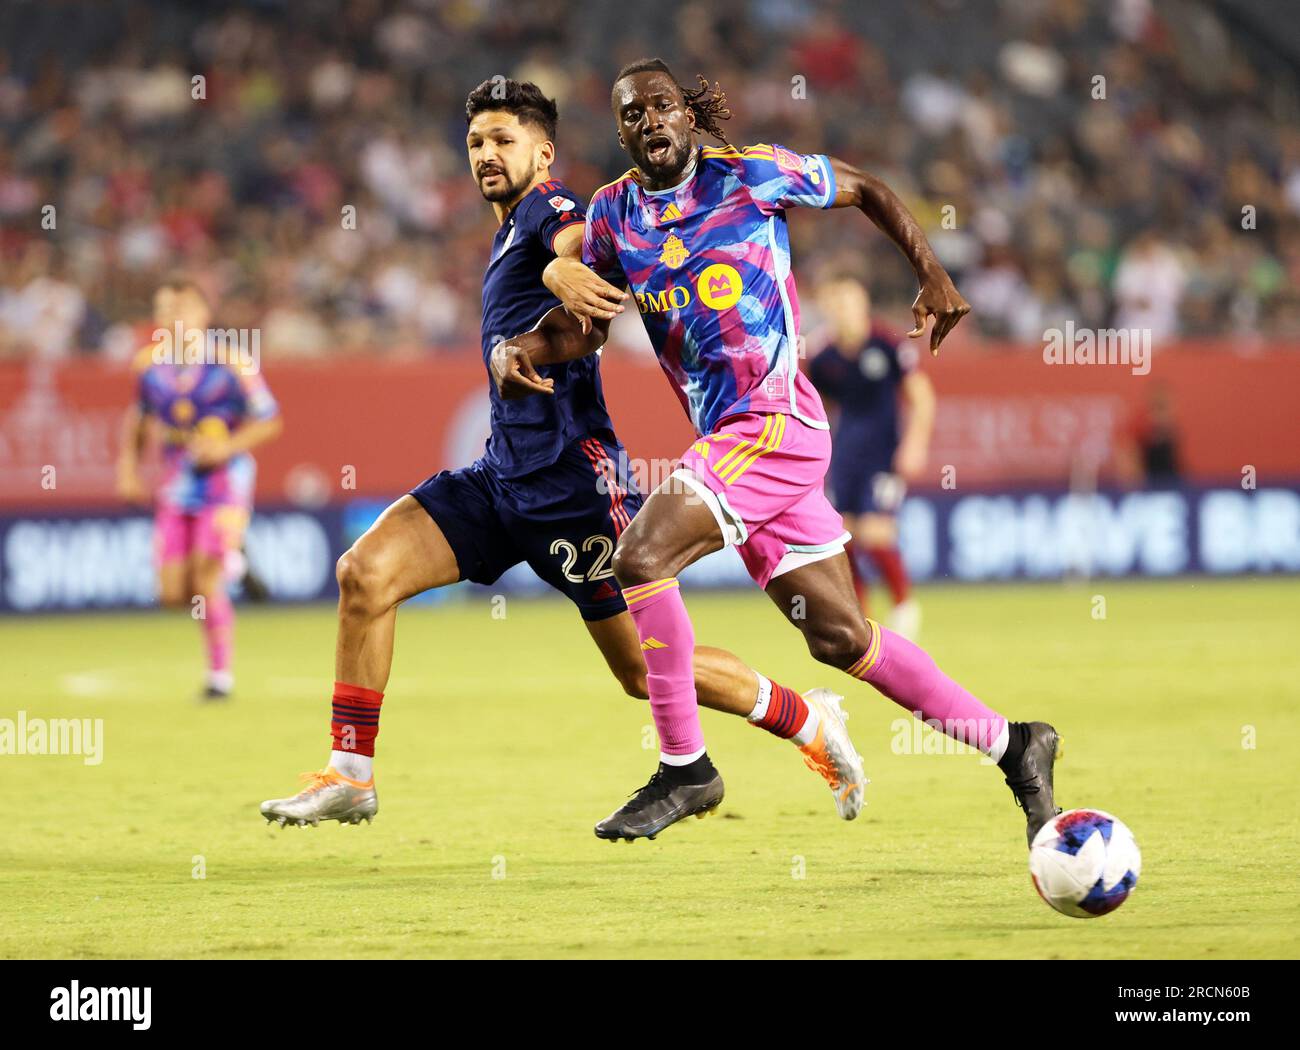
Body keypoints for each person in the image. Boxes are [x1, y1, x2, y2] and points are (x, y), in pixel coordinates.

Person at [259, 80, 865, 832]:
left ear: (542, 154)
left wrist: (557, 268)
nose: (487, 153)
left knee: (644, 675)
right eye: (477, 141)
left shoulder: (553, 211)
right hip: (500, 477)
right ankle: (350, 776)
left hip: (576, 486)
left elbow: (581, 248)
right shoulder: (512, 226)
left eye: (504, 140)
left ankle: (807, 719)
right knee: (364, 572)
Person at [495, 59, 1060, 845]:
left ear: (686, 115)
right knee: (841, 638)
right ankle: (1017, 744)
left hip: (772, 423)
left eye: (661, 106)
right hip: (736, 443)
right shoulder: (614, 214)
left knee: (638, 560)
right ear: (621, 130)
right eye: (631, 114)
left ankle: (685, 768)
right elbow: (587, 323)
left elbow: (863, 187)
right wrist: (522, 346)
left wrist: (931, 272)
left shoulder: (752, 174)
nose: (649, 121)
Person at [116, 278, 283, 701]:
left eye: (181, 310)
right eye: (164, 310)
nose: (173, 319)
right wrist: (130, 468)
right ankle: (238, 564)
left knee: (206, 579)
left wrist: (227, 445)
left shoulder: (232, 364)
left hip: (226, 481)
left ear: (202, 316)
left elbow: (269, 420)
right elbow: (139, 419)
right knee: (173, 593)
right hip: (178, 483)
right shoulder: (149, 367)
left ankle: (219, 678)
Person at [809, 274, 934, 637]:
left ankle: (904, 606)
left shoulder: (888, 344)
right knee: (843, 535)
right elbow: (819, 407)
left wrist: (915, 445)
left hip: (884, 455)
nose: (841, 311)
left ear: (862, 304)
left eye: (848, 302)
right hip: (846, 456)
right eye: (834, 304)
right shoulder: (822, 356)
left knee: (876, 533)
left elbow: (922, 398)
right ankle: (861, 617)